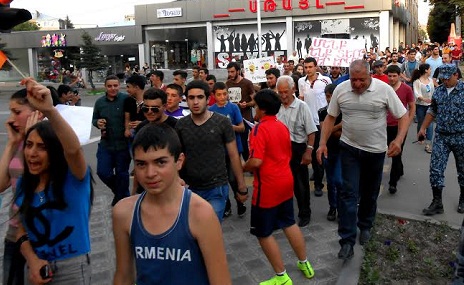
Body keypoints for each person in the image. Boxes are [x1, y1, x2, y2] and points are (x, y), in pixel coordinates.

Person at [112, 124, 231, 285]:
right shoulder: (124, 212)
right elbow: (123, 276)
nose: (150, 173)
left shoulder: (200, 214)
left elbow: (220, 280)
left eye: (160, 162)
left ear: (179, 161)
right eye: (141, 164)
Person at [317, 60, 408, 260]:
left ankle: (365, 225)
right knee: (348, 193)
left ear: (370, 76)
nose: (357, 84)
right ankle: (347, 240)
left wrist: (399, 140)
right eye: (353, 80)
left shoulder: (383, 90)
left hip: (375, 151)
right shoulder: (341, 89)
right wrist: (322, 143)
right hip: (349, 149)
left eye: (362, 80)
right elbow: (331, 118)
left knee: (369, 193)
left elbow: (403, 115)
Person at [14, 78, 94, 284]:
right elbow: (21, 228)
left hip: (72, 269)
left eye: (42, 147)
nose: (32, 153)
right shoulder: (26, 184)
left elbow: (74, 149)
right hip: (37, 268)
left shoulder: (74, 179)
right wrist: (32, 261)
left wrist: (50, 111)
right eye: (29, 145)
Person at [244, 89, 315, 285]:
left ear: (262, 109)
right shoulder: (281, 126)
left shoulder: (259, 129)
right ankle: (305, 263)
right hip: (285, 181)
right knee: (288, 222)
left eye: (255, 105)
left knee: (262, 232)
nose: (254, 109)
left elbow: (256, 161)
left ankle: (281, 276)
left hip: (267, 186)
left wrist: (243, 166)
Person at [175, 80, 247, 221]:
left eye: (200, 97)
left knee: (210, 227)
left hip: (216, 188)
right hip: (190, 188)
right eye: (191, 98)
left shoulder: (222, 122)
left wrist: (242, 185)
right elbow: (176, 156)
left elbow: (233, 155)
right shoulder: (181, 125)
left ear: (208, 99)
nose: (195, 102)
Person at [0, 89, 40, 285]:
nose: (11, 119)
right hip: (14, 230)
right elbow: (1, 185)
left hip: (40, 231)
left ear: (36, 112)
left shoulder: (45, 145)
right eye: (10, 112)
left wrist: (32, 137)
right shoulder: (18, 142)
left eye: (17, 112)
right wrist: (12, 143)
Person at [419, 64, 464, 216]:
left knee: (463, 171)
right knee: (435, 169)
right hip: (442, 137)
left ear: (456, 75)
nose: (445, 81)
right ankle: (437, 202)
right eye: (442, 78)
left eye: (448, 78)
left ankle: (463, 199)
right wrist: (423, 128)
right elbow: (432, 110)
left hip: (461, 137)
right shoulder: (438, 92)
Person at [276, 76, 317, 227]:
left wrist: (309, 151)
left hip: (298, 149)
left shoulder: (302, 106)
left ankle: (305, 213)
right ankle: (282, 214)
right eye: (280, 92)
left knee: (300, 184)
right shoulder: (276, 106)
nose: (283, 95)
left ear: (293, 90)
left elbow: (311, 132)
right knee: (280, 184)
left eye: (286, 91)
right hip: (280, 150)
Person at [209, 82, 246, 218]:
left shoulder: (233, 107)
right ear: (214, 95)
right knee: (221, 180)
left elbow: (241, 127)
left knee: (233, 178)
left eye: (225, 94)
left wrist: (228, 126)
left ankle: (240, 202)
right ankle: (227, 205)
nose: (222, 97)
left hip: (234, 149)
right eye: (219, 94)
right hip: (218, 150)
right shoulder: (211, 110)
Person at [92, 75, 131, 206]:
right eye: (110, 86)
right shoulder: (100, 102)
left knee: (122, 174)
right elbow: (94, 119)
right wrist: (98, 122)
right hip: (106, 144)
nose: (113, 88)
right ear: (105, 87)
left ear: (119, 86)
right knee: (102, 172)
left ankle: (122, 199)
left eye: (115, 85)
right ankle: (121, 194)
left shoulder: (126, 99)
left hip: (123, 145)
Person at [131, 88, 178, 195]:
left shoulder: (176, 127)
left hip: (170, 186)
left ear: (165, 106)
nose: (149, 112)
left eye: (155, 109)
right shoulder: (141, 128)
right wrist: (134, 190)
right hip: (146, 187)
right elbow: (138, 161)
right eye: (145, 108)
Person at [298, 57, 331, 197]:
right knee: (309, 151)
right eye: (306, 67)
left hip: (321, 122)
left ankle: (319, 183)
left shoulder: (326, 81)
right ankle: (317, 175)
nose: (308, 70)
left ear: (316, 67)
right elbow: (301, 99)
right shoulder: (301, 81)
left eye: (310, 67)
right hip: (307, 122)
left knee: (318, 152)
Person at [385, 65, 416, 194]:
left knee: (396, 154)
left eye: (394, 76)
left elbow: (412, 106)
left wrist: (408, 122)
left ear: (399, 76)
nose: (391, 78)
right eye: (390, 76)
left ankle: (393, 183)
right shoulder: (384, 89)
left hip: (399, 127)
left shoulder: (406, 89)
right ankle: (400, 168)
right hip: (383, 126)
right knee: (385, 152)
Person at [318, 84, 343, 221]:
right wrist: (339, 126)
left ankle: (340, 207)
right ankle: (332, 207)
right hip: (327, 149)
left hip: (341, 150)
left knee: (339, 181)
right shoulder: (323, 111)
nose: (329, 99)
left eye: (332, 96)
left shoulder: (345, 111)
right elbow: (324, 131)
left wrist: (330, 129)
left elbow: (341, 134)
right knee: (331, 181)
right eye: (327, 96)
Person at [226, 62, 255, 160]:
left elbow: (254, 101)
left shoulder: (247, 83)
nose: (230, 74)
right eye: (229, 72)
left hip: (244, 117)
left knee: (243, 142)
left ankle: (247, 162)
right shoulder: (227, 83)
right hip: (231, 118)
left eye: (232, 72)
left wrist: (246, 104)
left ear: (238, 71)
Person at [412, 63, 434, 153]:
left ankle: (429, 143)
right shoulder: (417, 82)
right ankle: (420, 136)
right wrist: (424, 99)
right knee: (421, 122)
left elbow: (433, 91)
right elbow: (416, 94)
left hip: (430, 106)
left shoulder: (431, 80)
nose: (430, 70)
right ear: (426, 70)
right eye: (430, 69)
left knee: (430, 124)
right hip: (420, 105)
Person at [123, 75, 146, 140]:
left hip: (147, 133)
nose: (127, 90)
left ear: (136, 87)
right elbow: (127, 117)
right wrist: (127, 129)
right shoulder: (128, 100)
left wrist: (142, 123)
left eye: (128, 87)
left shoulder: (150, 99)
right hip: (132, 135)